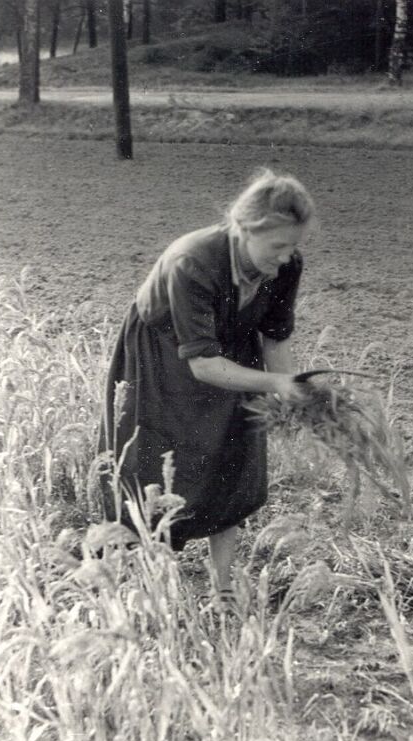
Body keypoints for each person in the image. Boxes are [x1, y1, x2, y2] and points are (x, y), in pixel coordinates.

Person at [98, 168, 314, 601]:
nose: (287, 257)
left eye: (295, 245)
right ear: (244, 230)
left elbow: (275, 338)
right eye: (278, 246)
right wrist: (276, 382)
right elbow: (204, 366)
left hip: (234, 344)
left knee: (234, 456)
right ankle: (148, 583)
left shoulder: (285, 265)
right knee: (157, 463)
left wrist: (291, 393)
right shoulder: (192, 262)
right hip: (163, 351)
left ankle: (224, 588)